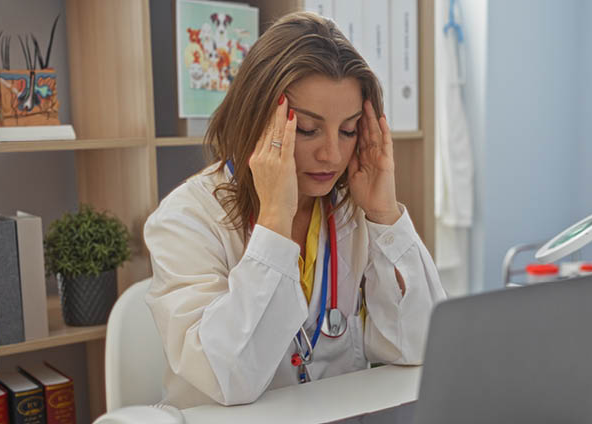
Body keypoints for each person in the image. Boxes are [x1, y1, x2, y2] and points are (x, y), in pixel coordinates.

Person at [144, 11, 446, 408]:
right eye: (307, 129)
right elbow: (231, 377)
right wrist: (273, 222)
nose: (332, 154)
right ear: (255, 119)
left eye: (349, 129)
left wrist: (385, 216)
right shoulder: (185, 220)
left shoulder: (350, 213)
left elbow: (419, 346)